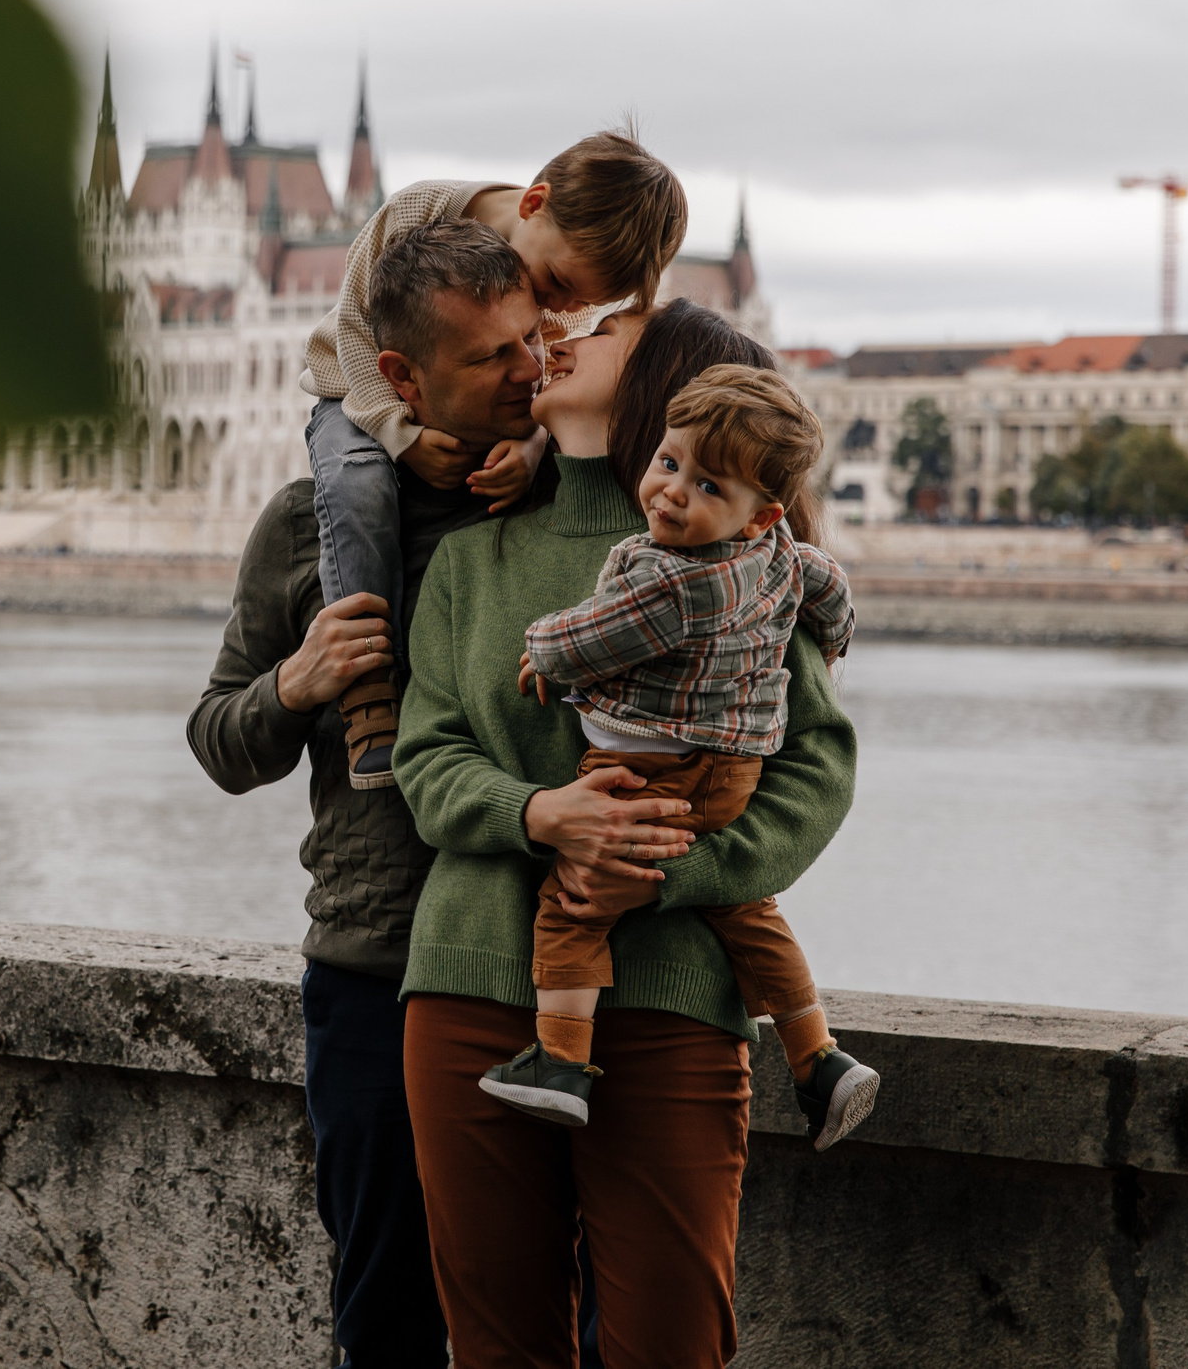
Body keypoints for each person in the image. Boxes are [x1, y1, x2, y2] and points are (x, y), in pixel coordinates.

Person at [394, 299, 859, 1368]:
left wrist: (665, 872)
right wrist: (537, 813)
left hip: (672, 993)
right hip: (466, 981)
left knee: (670, 1343)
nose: (558, 334)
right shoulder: (468, 558)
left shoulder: (741, 562)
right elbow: (424, 756)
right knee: (496, 1348)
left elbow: (814, 774)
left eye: (604, 326)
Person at [187, 219, 549, 1369]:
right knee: (382, 1310)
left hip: (545, 968)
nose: (527, 372)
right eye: (491, 356)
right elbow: (218, 741)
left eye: (531, 341)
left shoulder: (560, 502)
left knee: (545, 1315)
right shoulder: (307, 527)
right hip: (372, 965)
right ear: (399, 378)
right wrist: (297, 685)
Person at [482, 361, 881, 1153]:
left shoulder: (674, 585)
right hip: (730, 772)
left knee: (576, 898)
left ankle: (561, 1059)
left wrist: (543, 653)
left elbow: (591, 635)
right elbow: (827, 580)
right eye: (670, 465)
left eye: (706, 488)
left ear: (759, 514)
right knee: (746, 909)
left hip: (648, 769)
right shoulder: (779, 558)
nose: (672, 492)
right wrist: (833, 637)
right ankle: (819, 1057)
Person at [299, 131, 690, 791]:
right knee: (357, 484)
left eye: (580, 305)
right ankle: (367, 691)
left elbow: (547, 383)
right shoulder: (418, 211)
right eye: (560, 284)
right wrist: (400, 434)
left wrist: (535, 440)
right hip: (352, 389)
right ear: (534, 202)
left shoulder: (567, 290)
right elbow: (354, 337)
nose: (559, 310)